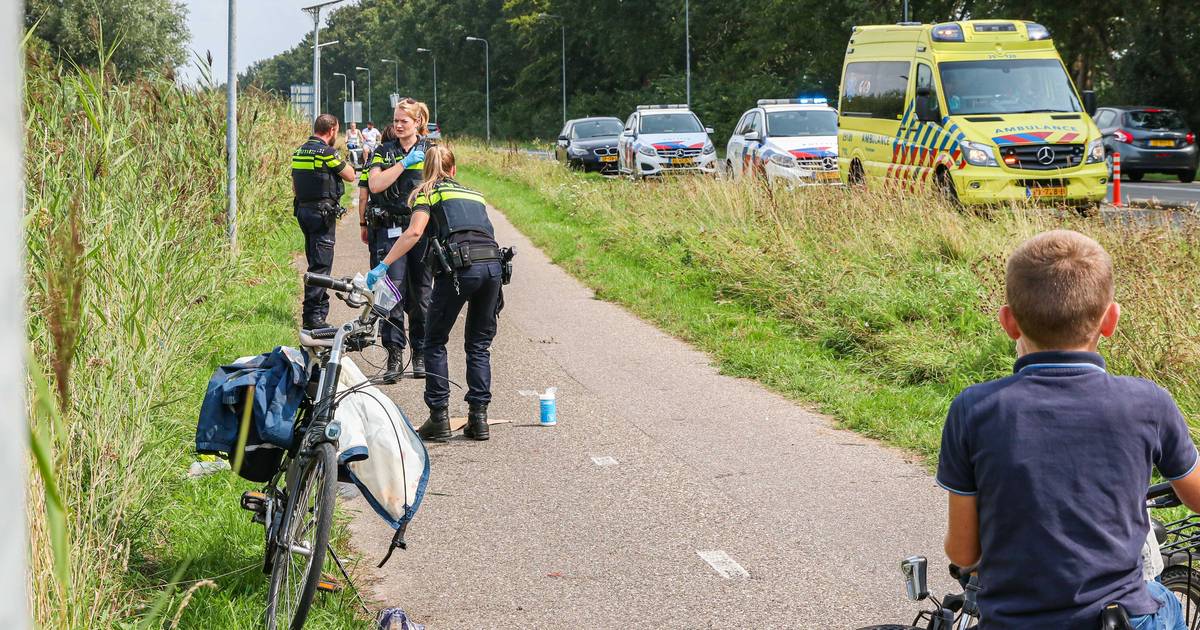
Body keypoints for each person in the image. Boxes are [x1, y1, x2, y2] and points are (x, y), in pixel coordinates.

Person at [937, 229, 1200, 630]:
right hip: (1116, 618)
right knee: (1160, 599)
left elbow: (962, 550)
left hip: (1013, 621)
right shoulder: (1148, 402)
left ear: (1008, 322)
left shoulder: (974, 409)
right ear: (1110, 319)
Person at [365, 144, 505, 442]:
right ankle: (478, 419)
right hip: (492, 265)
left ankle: (439, 417)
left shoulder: (426, 193)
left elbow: (414, 232)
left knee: (434, 340)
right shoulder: (473, 193)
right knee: (479, 345)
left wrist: (383, 265)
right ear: (454, 169)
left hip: (460, 268)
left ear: (427, 170)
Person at [366, 100, 434, 380]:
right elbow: (375, 185)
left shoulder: (430, 150)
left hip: (421, 229)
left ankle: (420, 353)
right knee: (391, 293)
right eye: (395, 120)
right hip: (391, 229)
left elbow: (439, 182)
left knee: (421, 296)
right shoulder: (384, 150)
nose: (398, 125)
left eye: (404, 121)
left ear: (418, 122)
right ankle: (394, 355)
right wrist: (404, 164)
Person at [292, 113, 356, 330]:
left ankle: (314, 312)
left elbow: (295, 184)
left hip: (303, 211)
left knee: (314, 261)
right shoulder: (327, 152)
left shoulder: (299, 151)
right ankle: (313, 317)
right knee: (321, 266)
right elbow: (350, 175)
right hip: (321, 215)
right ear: (332, 131)